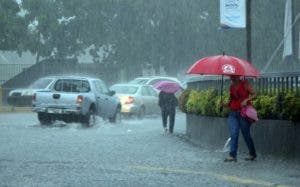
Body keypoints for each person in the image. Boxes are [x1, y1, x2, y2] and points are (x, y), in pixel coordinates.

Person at [222, 75, 257, 162]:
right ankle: (232, 155)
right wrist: (224, 104)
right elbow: (231, 101)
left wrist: (246, 100)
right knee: (234, 133)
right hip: (233, 113)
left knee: (246, 134)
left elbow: (255, 93)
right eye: (231, 77)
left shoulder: (245, 84)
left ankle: (252, 153)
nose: (232, 78)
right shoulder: (231, 87)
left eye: (234, 77)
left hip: (243, 113)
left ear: (238, 76)